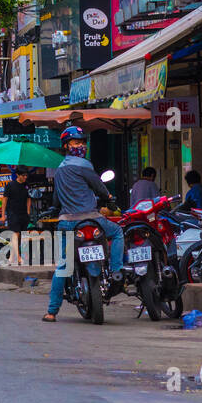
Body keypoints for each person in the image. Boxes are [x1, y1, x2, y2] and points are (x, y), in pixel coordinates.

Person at [43, 126, 123, 323]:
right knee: (118, 232)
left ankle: (52, 312)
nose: (81, 146)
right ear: (66, 146)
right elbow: (100, 188)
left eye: (82, 142)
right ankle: (116, 272)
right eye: (76, 142)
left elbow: (56, 200)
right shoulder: (84, 165)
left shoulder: (60, 170)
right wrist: (110, 199)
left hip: (68, 223)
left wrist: (54, 209)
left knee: (64, 265)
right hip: (92, 220)